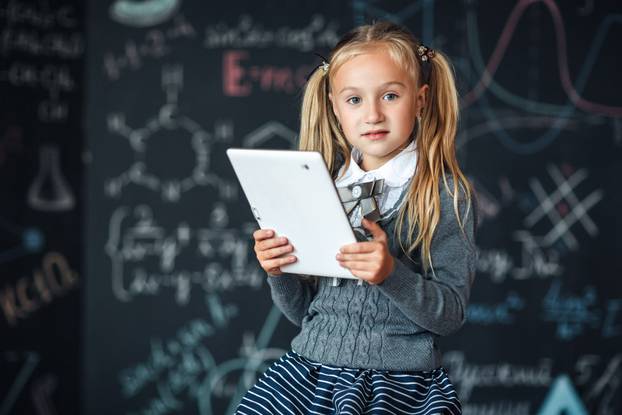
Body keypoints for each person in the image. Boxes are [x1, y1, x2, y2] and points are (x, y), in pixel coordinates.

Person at [236, 20, 478, 415]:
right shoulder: (321, 187)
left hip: (398, 388)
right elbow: (305, 313)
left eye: (390, 96)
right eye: (355, 100)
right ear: (334, 106)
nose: (373, 115)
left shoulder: (445, 196)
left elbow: (449, 314)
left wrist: (390, 274)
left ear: (420, 99)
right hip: (310, 377)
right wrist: (279, 271)